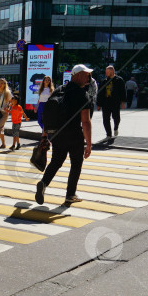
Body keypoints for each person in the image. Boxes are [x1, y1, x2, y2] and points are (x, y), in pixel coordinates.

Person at [35, 64, 92, 207]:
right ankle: (70, 195)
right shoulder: (82, 94)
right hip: (74, 134)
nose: (88, 77)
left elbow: (48, 114)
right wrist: (89, 144)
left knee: (56, 161)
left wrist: (44, 135)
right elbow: (85, 121)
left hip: (57, 134)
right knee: (76, 163)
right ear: (78, 75)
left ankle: (43, 183)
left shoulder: (59, 90)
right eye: (86, 75)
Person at [96, 65, 125, 138]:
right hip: (106, 103)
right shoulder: (104, 81)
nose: (106, 74)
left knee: (116, 117)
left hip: (115, 102)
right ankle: (108, 134)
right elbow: (100, 93)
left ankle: (116, 128)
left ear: (112, 71)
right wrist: (99, 104)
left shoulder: (119, 80)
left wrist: (123, 102)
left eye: (107, 72)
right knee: (105, 119)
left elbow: (123, 92)